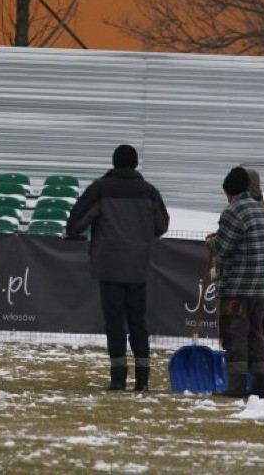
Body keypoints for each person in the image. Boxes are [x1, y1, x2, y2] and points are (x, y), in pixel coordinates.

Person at [65, 144, 170, 391]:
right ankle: (142, 379)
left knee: (115, 322)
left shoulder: (101, 188)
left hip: (109, 267)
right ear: (134, 164)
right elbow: (162, 225)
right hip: (138, 268)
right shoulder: (150, 191)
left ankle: (118, 377)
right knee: (138, 322)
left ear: (114, 163)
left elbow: (76, 223)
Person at [206, 166, 264, 398]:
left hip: (237, 287)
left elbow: (223, 248)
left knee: (235, 336)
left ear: (229, 191)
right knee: (255, 335)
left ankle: (235, 387)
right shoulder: (262, 210)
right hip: (262, 287)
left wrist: (211, 242)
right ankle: (260, 387)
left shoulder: (233, 210)